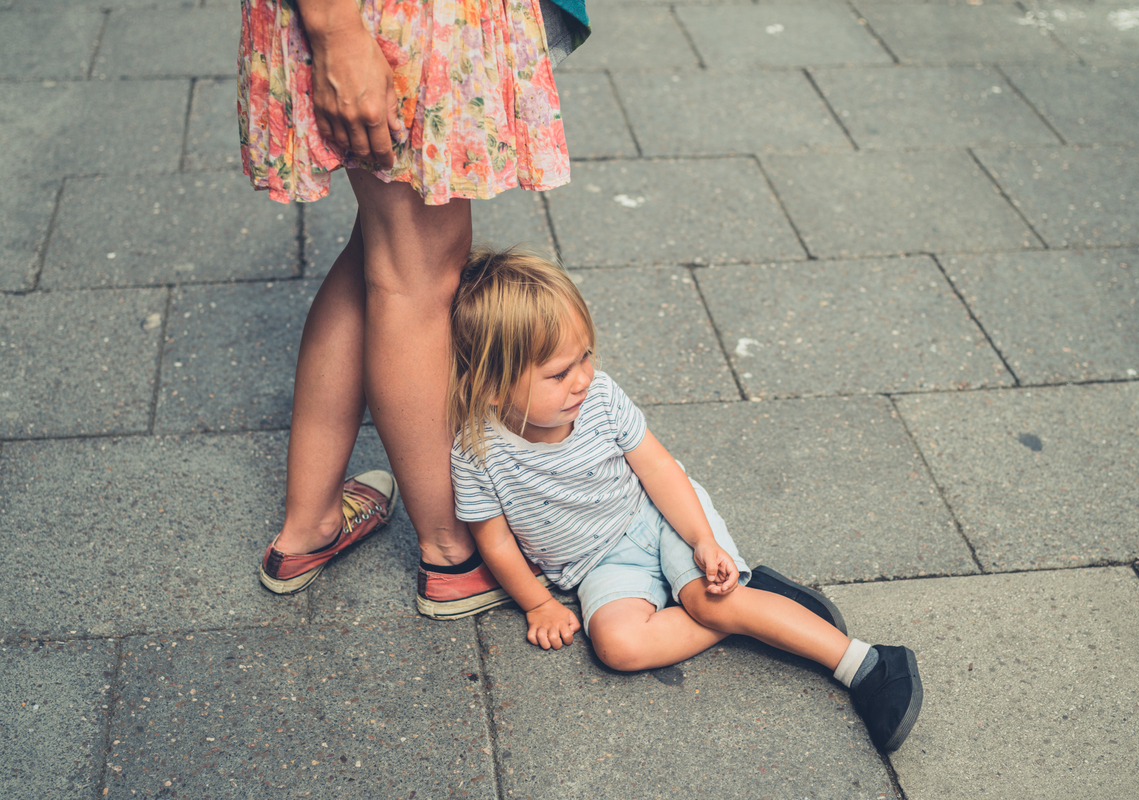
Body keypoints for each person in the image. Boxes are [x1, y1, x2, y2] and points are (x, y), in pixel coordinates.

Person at [447, 249, 924, 752]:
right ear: (493, 387)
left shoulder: (601, 401)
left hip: (658, 517)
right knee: (617, 646)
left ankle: (869, 665)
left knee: (704, 599)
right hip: (596, 566)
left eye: (586, 356)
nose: (583, 378)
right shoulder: (477, 451)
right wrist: (539, 604)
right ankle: (759, 608)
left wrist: (700, 539)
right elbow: (495, 540)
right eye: (559, 373)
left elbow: (659, 470)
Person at [236, 0, 585, 618]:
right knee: (415, 272)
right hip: (389, 20)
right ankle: (453, 554)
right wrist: (336, 31)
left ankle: (311, 523)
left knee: (386, 244)